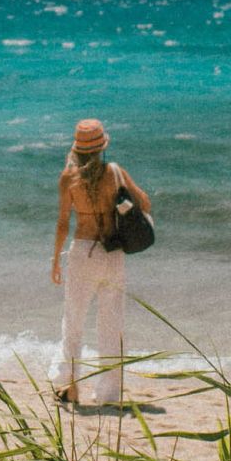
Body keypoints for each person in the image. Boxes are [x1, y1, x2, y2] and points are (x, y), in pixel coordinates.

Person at [50, 118, 151, 408]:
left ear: (77, 150)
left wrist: (55, 260)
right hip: (112, 253)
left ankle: (69, 386)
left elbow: (61, 224)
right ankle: (108, 394)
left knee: (73, 321)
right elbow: (144, 203)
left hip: (82, 252)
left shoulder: (68, 178)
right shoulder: (115, 173)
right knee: (111, 323)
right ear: (101, 149)